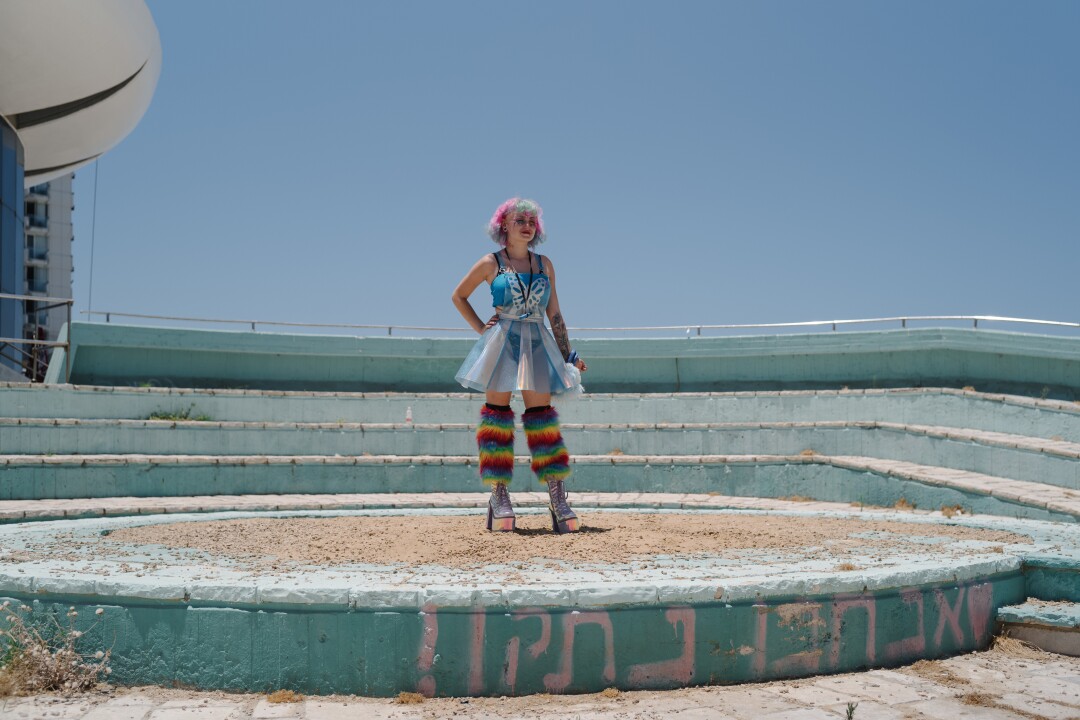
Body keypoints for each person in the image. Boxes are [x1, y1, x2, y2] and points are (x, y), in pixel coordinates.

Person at [452, 198, 587, 534]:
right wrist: (481, 329)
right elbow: (459, 296)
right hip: (502, 343)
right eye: (519, 220)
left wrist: (569, 355)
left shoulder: (545, 265)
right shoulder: (489, 262)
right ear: (504, 226)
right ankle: (499, 496)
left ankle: (557, 497)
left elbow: (555, 313)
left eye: (531, 220)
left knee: (542, 421)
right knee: (496, 418)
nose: (527, 225)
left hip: (538, 343)